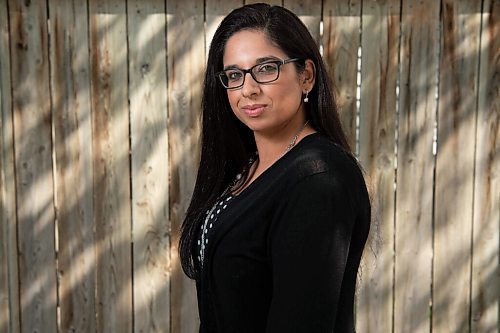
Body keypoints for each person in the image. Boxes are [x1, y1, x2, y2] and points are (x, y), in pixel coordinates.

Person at [179, 3, 371, 332]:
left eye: (266, 69)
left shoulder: (319, 179)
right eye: (235, 75)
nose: (248, 89)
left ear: (306, 76)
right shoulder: (248, 166)